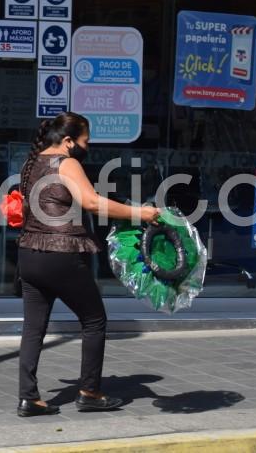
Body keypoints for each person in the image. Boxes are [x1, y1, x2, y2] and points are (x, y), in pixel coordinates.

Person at [16, 112, 160, 417]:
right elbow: (92, 202)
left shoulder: (30, 163)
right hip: (61, 255)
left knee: (33, 329)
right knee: (94, 320)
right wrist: (141, 214)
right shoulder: (66, 163)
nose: (88, 146)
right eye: (85, 141)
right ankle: (90, 392)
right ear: (68, 141)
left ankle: (28, 397)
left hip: (28, 255)